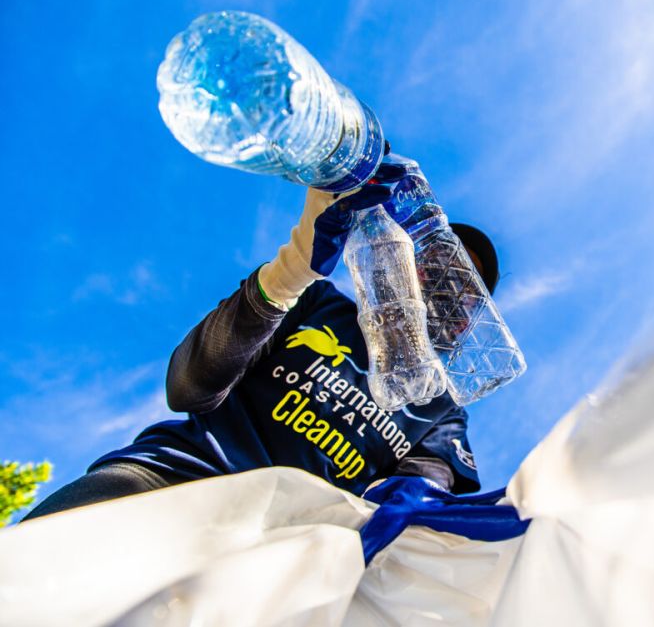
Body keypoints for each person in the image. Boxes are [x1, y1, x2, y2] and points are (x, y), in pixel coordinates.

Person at [22, 152, 497, 521]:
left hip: (283, 558)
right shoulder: (315, 302)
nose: (444, 287)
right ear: (399, 262)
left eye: (463, 286)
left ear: (467, 322)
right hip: (171, 483)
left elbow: (421, 498)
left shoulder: (440, 409)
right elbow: (188, 386)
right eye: (435, 265)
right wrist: (291, 271)